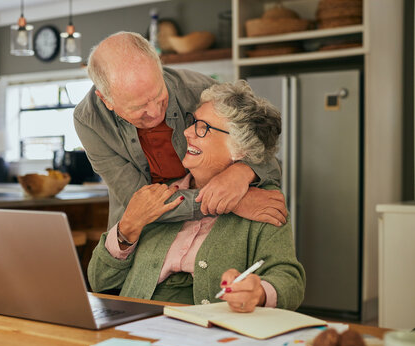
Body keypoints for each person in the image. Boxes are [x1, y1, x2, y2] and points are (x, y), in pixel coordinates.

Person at [88, 81, 305, 311]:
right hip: (135, 325)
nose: (187, 132)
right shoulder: (161, 194)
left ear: (240, 149)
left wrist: (259, 292)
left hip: (207, 333)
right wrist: (126, 232)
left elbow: (290, 280)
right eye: (193, 122)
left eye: (203, 128)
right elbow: (99, 282)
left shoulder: (263, 202)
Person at [74, 32, 287, 229]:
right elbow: (138, 201)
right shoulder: (89, 120)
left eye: (159, 95)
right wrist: (226, 203)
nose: (156, 112)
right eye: (139, 108)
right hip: (142, 233)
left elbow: (265, 155)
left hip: (210, 228)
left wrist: (242, 172)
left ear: (160, 67)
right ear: (106, 100)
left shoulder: (203, 92)